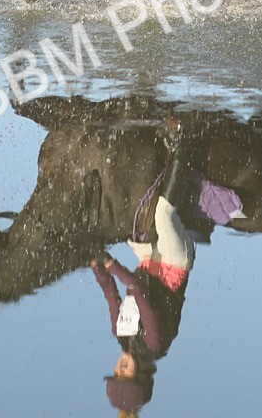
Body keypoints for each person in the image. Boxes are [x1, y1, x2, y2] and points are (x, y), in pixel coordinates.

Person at [91, 122, 195, 414]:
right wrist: (111, 263)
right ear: (140, 376)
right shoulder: (155, 344)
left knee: (122, 226)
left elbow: (110, 292)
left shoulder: (120, 333)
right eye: (125, 374)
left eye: (115, 372)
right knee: (163, 213)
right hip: (175, 264)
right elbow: (136, 290)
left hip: (149, 263)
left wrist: (93, 265)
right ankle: (180, 143)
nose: (119, 367)